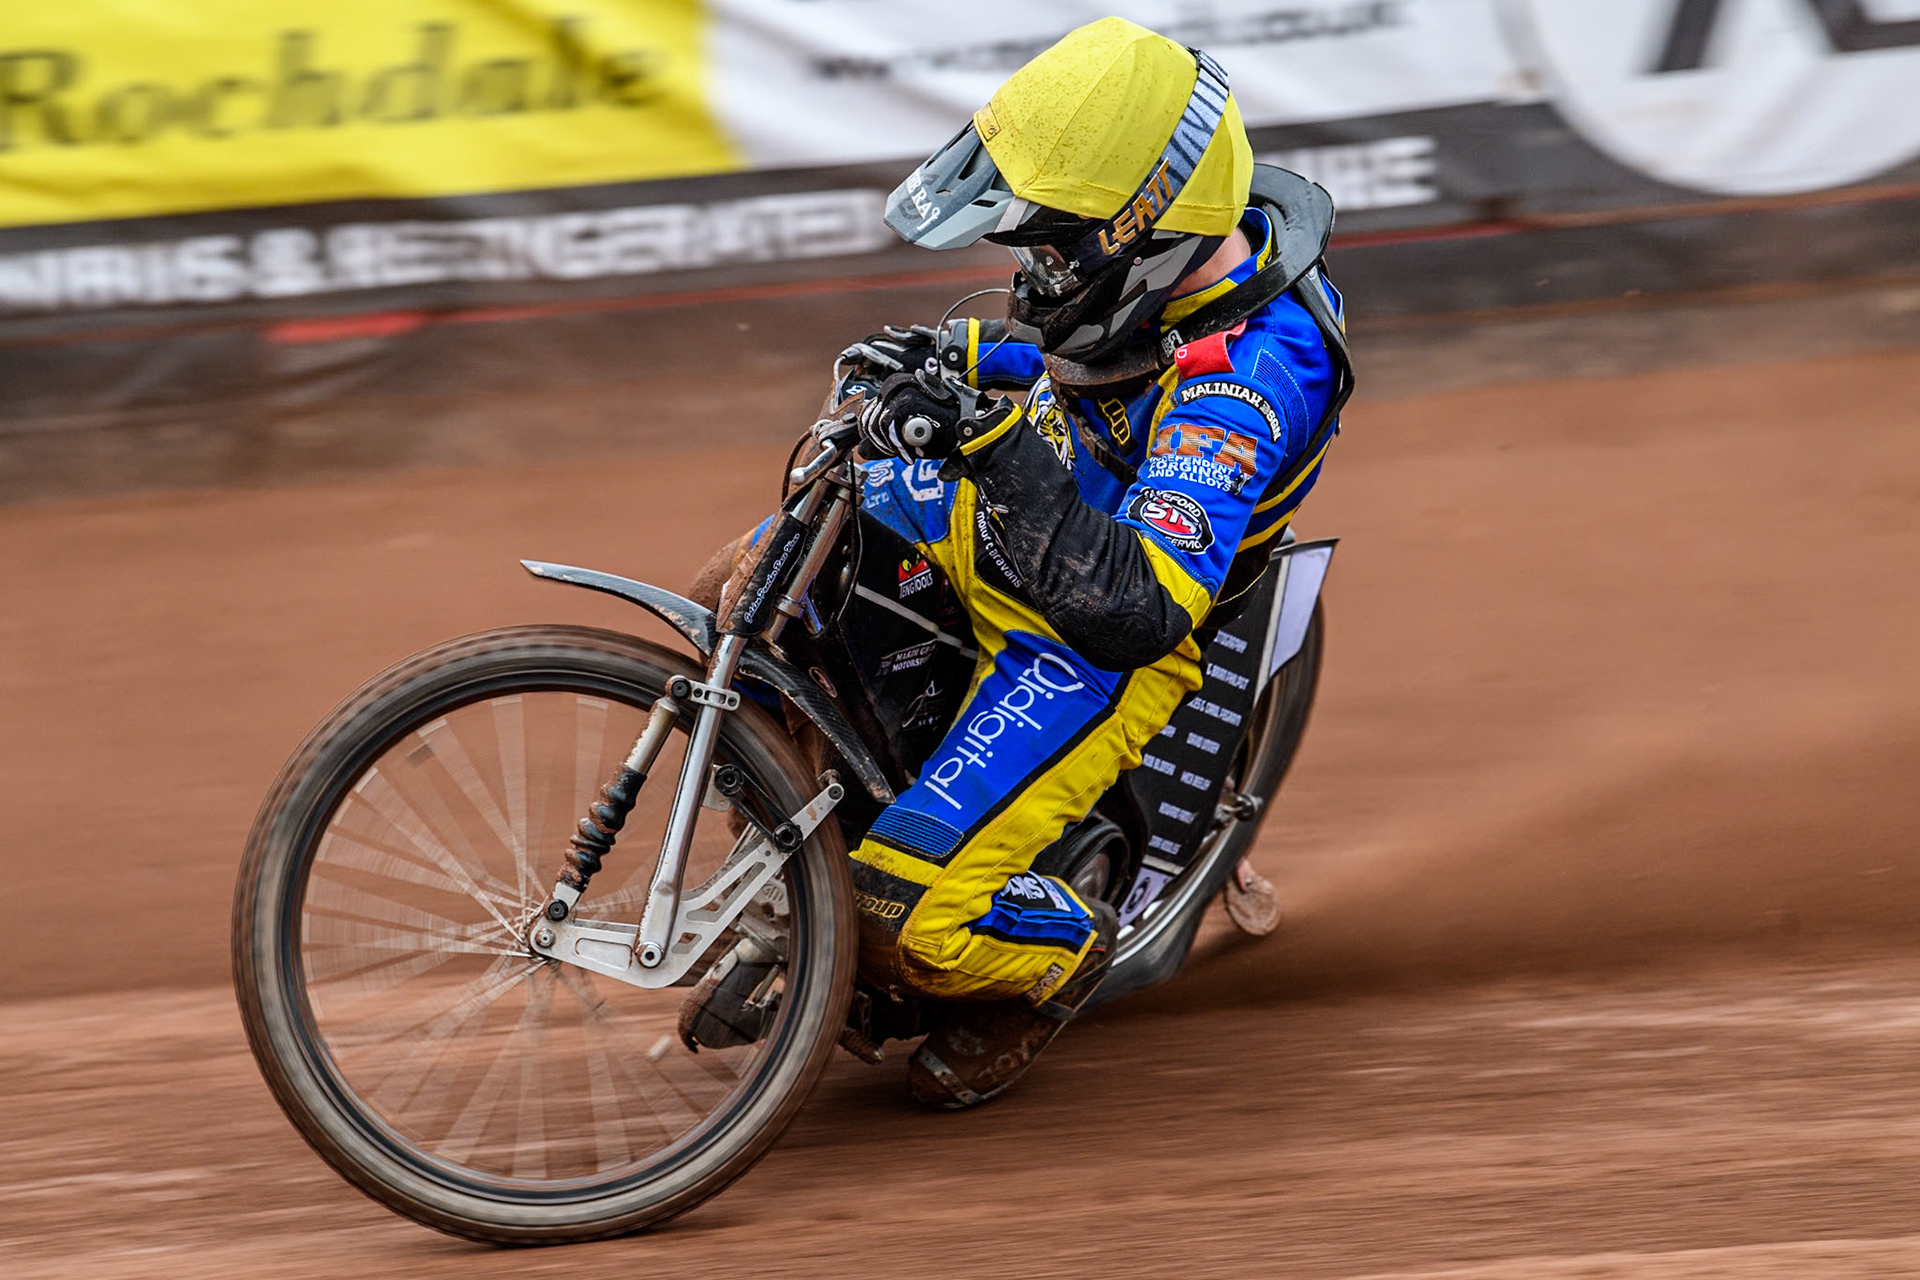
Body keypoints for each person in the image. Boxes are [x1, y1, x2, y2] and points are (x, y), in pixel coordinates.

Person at [696, 17, 1351, 1109]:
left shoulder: (1252, 378)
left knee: (898, 912)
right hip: (1023, 519)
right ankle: (791, 867)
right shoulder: (1165, 275)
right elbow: (1078, 353)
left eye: (1053, 248)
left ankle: (1052, 958)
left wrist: (991, 441)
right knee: (752, 584)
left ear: (1145, 231)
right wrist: (942, 356)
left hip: (1096, 632)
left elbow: (1135, 606)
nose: (1033, 270)